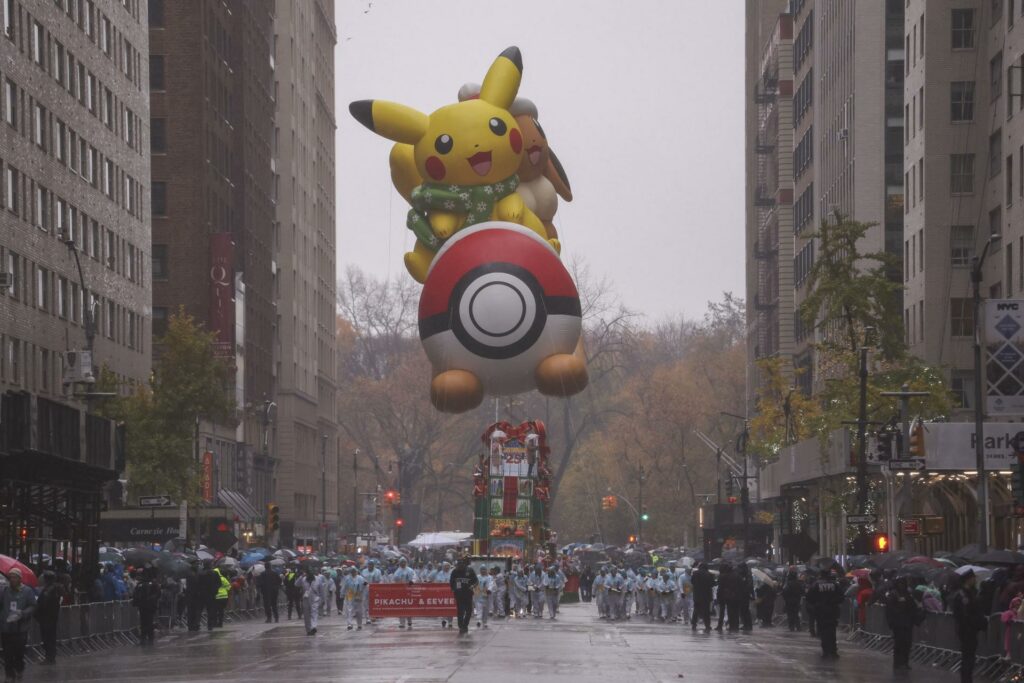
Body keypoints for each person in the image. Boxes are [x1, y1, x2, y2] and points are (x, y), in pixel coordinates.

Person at [0, 568, 36, 682]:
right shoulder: (4, 591)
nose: (12, 580)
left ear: (20, 579)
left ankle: (19, 669)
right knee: (7, 654)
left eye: (15, 577)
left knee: (19, 653)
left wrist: (23, 613)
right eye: (10, 577)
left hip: (20, 629)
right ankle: (9, 674)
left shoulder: (27, 591)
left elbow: (33, 606)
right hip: (6, 628)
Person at [951, 569, 986, 683]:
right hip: (967, 631)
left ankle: (967, 679)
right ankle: (966, 680)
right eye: (973, 578)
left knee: (969, 658)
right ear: (969, 579)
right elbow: (966, 614)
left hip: (969, 630)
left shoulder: (970, 593)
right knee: (967, 658)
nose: (975, 580)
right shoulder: (963, 595)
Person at [806, 567, 844, 659]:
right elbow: (841, 597)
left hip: (820, 611)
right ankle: (833, 651)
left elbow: (809, 597)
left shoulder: (816, 585)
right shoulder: (835, 585)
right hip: (832, 611)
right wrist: (833, 602)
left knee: (823, 631)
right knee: (832, 631)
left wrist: (816, 605)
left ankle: (825, 651)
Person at [885, 576, 920, 672]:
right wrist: (891, 622)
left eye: (903, 584)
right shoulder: (893, 595)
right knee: (899, 643)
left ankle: (905, 662)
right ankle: (897, 662)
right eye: (900, 584)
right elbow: (889, 610)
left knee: (907, 643)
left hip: (907, 623)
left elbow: (913, 607)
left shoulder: (908, 594)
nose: (902, 586)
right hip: (898, 623)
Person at [35, 571, 63, 664]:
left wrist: (37, 613)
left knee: (47, 638)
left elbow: (42, 603)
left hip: (47, 617)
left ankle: (49, 657)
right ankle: (50, 656)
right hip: (51, 617)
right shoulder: (54, 589)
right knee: (50, 638)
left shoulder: (48, 590)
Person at [132, 568, 162, 646]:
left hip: (146, 607)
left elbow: (158, 593)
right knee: (146, 622)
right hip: (146, 606)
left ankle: (147, 638)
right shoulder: (143, 584)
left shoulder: (149, 584)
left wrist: (152, 599)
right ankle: (146, 639)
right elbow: (135, 595)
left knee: (146, 622)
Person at [449, 557, 478, 635]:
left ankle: (465, 625)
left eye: (461, 564)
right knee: (460, 611)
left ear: (464, 564)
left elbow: (476, 581)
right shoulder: (455, 571)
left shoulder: (470, 570)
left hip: (468, 594)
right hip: (459, 595)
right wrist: (453, 589)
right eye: (458, 564)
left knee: (469, 611)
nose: (460, 566)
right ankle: (461, 626)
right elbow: (451, 582)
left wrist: (472, 586)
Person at [297, 567, 323, 636]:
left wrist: (321, 600)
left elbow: (321, 590)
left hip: (315, 598)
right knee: (306, 615)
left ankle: (313, 627)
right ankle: (308, 630)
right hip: (306, 598)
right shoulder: (303, 579)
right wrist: (301, 576)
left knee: (314, 613)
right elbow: (296, 584)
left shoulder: (318, 579)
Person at [393, 558, 416, 629]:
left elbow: (414, 577)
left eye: (404, 562)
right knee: (401, 607)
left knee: (409, 606)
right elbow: (394, 579)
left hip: (409, 591)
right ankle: (402, 623)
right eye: (401, 562)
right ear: (399, 563)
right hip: (400, 591)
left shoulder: (410, 570)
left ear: (406, 562)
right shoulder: (397, 571)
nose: (403, 563)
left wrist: (412, 581)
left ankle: (409, 620)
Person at [691, 562, 714, 632]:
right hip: (706, 596)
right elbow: (712, 584)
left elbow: (692, 582)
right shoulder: (709, 574)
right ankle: (707, 625)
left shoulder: (695, 573)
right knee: (706, 611)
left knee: (696, 610)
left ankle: (694, 624)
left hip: (697, 595)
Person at [716, 563, 739, 632]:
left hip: (723, 595)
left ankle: (720, 625)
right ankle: (733, 626)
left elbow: (720, 587)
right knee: (731, 611)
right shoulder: (735, 576)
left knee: (722, 612)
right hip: (732, 595)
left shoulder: (722, 576)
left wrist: (718, 595)